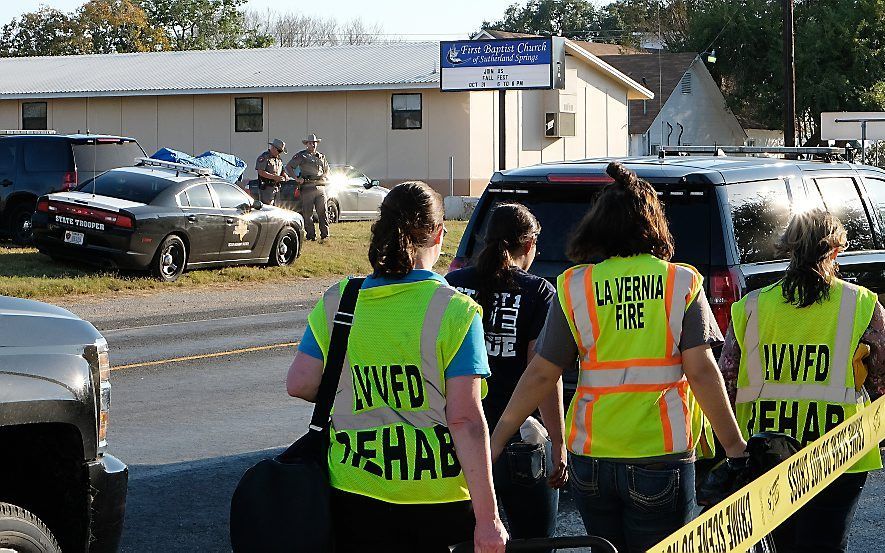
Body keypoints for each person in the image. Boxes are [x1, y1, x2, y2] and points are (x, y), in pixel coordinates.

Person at [488, 162, 748, 553]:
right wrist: (735, 447)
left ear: (599, 226)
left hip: (591, 458)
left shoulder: (576, 285)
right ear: (655, 224)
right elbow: (701, 372)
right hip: (660, 455)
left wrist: (494, 443)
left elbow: (541, 373)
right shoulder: (681, 281)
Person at [286, 181, 507, 553]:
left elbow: (300, 383)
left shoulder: (341, 299)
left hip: (355, 490)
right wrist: (489, 520)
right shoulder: (455, 311)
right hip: (437, 497)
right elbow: (465, 420)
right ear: (438, 233)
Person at [719, 209, 885, 553]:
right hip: (838, 453)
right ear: (836, 251)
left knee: (781, 544)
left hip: (767, 454)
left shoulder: (751, 307)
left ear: (788, 249)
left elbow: (728, 379)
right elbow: (882, 381)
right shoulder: (862, 305)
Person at [445, 203, 567, 546]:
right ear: (529, 245)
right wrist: (558, 442)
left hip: (460, 438)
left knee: (473, 540)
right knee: (534, 541)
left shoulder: (452, 285)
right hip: (520, 439)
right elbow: (542, 375)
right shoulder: (538, 292)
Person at [286, 133, 330, 243]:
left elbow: (327, 169)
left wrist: (325, 175)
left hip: (320, 186)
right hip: (307, 186)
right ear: (306, 144)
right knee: (307, 213)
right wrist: (296, 178)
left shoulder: (321, 156)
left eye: (314, 143)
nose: (313, 145)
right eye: (310, 143)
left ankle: (325, 235)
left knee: (323, 211)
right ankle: (311, 235)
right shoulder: (302, 155)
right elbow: (289, 166)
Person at [255, 139, 289, 205]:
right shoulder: (264, 157)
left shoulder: (279, 159)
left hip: (277, 187)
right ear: (273, 148)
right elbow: (261, 172)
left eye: (281, 151)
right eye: (279, 150)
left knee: (277, 208)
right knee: (267, 208)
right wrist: (274, 177)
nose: (280, 153)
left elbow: (282, 171)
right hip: (266, 188)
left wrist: (285, 176)